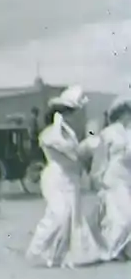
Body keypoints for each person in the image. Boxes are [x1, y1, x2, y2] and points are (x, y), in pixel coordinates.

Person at [26, 85, 110, 269]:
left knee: (72, 217)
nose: (76, 116)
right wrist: (88, 146)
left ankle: (60, 255)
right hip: (56, 177)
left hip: (71, 178)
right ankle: (38, 251)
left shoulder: (69, 133)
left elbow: (77, 156)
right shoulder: (51, 133)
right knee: (59, 214)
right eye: (73, 112)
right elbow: (72, 153)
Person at [97, 95, 131, 261]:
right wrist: (99, 177)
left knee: (122, 216)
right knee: (122, 216)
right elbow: (101, 158)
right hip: (114, 177)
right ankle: (111, 249)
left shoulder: (130, 132)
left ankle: (121, 249)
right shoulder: (108, 133)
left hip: (128, 176)